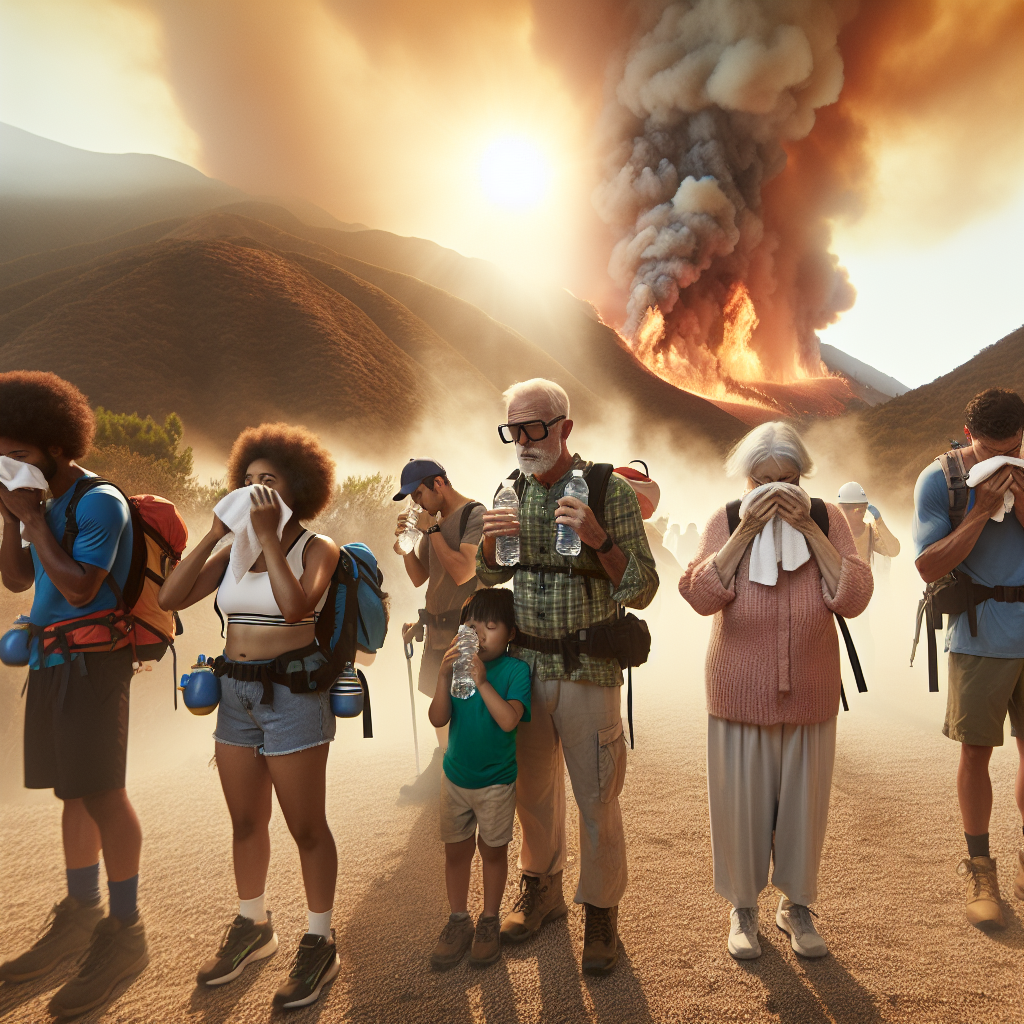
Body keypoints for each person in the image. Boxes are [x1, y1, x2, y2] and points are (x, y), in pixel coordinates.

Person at [158, 423, 343, 1010]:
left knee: (306, 826)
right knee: (245, 821)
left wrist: (267, 536)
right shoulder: (232, 550)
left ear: (299, 489)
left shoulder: (318, 548)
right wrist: (217, 529)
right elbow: (169, 598)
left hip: (293, 695)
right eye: (249, 481)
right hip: (234, 695)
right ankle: (254, 924)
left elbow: (295, 607)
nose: (256, 490)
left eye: (270, 481)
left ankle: (320, 938)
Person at [478, 378, 659, 975]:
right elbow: (494, 578)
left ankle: (602, 913)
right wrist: (487, 551)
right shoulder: (510, 490)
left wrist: (597, 537)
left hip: (589, 666)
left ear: (565, 427)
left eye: (533, 427)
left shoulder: (609, 492)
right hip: (526, 669)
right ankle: (543, 891)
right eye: (514, 428)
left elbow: (643, 587)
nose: (523, 440)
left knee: (598, 796)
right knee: (532, 791)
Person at [679, 421, 872, 961]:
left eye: (788, 480)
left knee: (804, 809)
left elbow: (853, 595)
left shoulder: (827, 518)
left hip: (810, 688)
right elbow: (699, 594)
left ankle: (798, 907)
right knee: (740, 806)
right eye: (763, 481)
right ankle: (743, 908)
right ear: (746, 481)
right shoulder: (725, 519)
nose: (776, 492)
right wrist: (744, 532)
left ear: (803, 478)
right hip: (738, 690)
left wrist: (809, 530)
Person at [0, 373, 147, 1017]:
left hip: (95, 662)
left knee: (104, 792)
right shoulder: (39, 502)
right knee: (72, 792)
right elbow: (16, 580)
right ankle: (80, 915)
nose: (11, 467)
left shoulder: (98, 502)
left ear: (56, 445)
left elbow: (83, 588)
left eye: (20, 456)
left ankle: (125, 930)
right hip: (53, 660)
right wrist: (12, 519)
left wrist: (32, 516)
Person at [912, 388, 1024, 930]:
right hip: (980, 638)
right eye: (989, 452)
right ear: (967, 433)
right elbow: (929, 566)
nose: (1002, 460)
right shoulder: (942, 480)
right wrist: (980, 513)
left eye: (1014, 447)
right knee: (977, 752)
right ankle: (980, 865)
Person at [427, 588, 531, 970]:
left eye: (491, 625)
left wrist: (483, 682)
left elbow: (508, 720)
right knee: (455, 853)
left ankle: (488, 919)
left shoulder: (515, 671)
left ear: (511, 633)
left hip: (495, 784)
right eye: (472, 626)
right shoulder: (456, 672)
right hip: (455, 778)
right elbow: (438, 719)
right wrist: (442, 674)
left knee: (492, 851)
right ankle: (458, 920)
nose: (481, 635)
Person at [393, 459, 483, 785]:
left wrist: (430, 530)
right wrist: (405, 547)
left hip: (467, 633)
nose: (417, 503)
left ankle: (465, 774)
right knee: (439, 704)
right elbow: (421, 579)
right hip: (435, 631)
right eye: (413, 498)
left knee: (466, 708)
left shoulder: (475, 515)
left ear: (439, 484)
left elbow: (463, 572)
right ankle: (445, 765)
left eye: (419, 493)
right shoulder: (435, 522)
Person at [837, 481, 901, 566]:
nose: (859, 511)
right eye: (851, 508)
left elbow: (893, 551)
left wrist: (880, 523)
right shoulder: (834, 531)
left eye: (862, 507)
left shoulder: (870, 533)